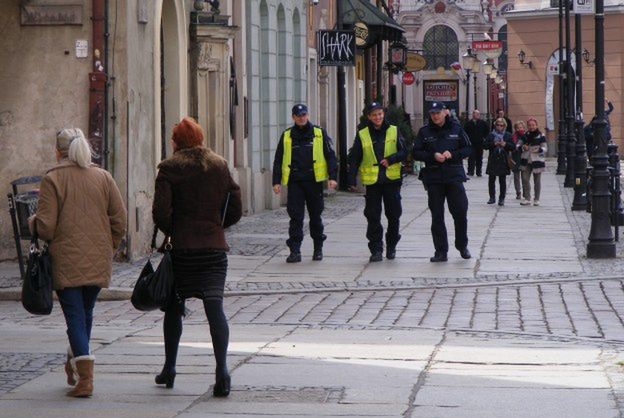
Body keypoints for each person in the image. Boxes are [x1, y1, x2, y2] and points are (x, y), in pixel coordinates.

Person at [29, 128, 126, 398]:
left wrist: (31, 221)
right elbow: (120, 220)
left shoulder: (54, 179)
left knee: (75, 317)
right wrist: (109, 245)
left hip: (67, 259)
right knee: (84, 313)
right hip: (98, 258)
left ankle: (85, 379)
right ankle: (75, 361)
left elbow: (46, 228)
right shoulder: (104, 177)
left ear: (58, 152)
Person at [153, 117, 242, 396]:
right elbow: (236, 206)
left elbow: (160, 213)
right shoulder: (219, 165)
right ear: (201, 139)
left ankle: (169, 369)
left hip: (183, 250)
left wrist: (176, 230)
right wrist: (216, 226)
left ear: (176, 142)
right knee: (215, 308)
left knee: (173, 308)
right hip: (214, 249)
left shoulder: (169, 169)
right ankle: (222, 370)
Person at [272, 104, 338, 263]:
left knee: (316, 216)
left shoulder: (319, 133)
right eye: (298, 115)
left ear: (308, 115)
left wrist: (332, 177)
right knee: (295, 217)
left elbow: (330, 156)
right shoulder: (287, 135)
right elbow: (278, 159)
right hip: (295, 182)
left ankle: (318, 249)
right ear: (293, 117)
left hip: (313, 182)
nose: (301, 117)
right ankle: (295, 251)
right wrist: (276, 181)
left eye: (304, 114)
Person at [413, 101, 472, 262]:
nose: (435, 116)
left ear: (445, 112)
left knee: (460, 213)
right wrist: (432, 156)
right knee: (437, 216)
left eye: (438, 113)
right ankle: (441, 251)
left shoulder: (456, 129)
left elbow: (468, 148)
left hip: (454, 177)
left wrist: (452, 154)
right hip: (434, 179)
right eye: (432, 113)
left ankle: (462, 245)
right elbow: (416, 152)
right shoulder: (424, 132)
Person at [348, 102, 407, 262]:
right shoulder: (363, 134)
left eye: (380, 114)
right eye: (374, 115)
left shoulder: (394, 130)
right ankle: (376, 249)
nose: (378, 117)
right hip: (372, 183)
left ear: (383, 114)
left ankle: (392, 246)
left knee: (394, 216)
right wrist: (351, 177)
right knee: (373, 217)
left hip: (391, 180)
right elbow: (355, 157)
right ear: (369, 117)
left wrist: (391, 159)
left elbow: (404, 151)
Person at [484, 118, 515, 206]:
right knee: (491, 179)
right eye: (497, 125)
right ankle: (492, 197)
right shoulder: (491, 135)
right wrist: (494, 144)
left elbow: (513, 147)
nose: (499, 127)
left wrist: (505, 144)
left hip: (503, 159)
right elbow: (485, 145)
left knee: (502, 180)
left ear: (504, 126)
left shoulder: (508, 135)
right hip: (493, 159)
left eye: (501, 125)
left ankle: (501, 198)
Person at [518, 118, 547, 206]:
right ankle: (527, 198)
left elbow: (545, 148)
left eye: (533, 125)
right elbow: (517, 145)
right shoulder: (525, 135)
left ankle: (537, 199)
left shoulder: (541, 135)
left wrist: (539, 149)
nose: (531, 127)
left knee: (537, 181)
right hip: (526, 160)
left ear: (536, 125)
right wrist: (523, 147)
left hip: (537, 160)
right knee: (525, 179)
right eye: (530, 125)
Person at [464, 109, 490, 176]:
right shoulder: (468, 123)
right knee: (471, 157)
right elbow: (464, 132)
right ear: (473, 114)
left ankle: (479, 172)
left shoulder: (483, 123)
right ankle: (470, 171)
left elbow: (487, 131)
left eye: (478, 114)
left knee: (479, 158)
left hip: (480, 143)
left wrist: (484, 138)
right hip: (471, 143)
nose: (477, 115)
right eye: (476, 114)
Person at [511, 121, 526, 199]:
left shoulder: (527, 136)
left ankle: (525, 192)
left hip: (524, 158)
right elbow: (511, 147)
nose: (519, 129)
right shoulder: (513, 137)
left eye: (521, 127)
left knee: (524, 177)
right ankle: (518, 192)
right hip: (515, 158)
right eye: (518, 128)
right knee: (516, 177)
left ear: (523, 128)